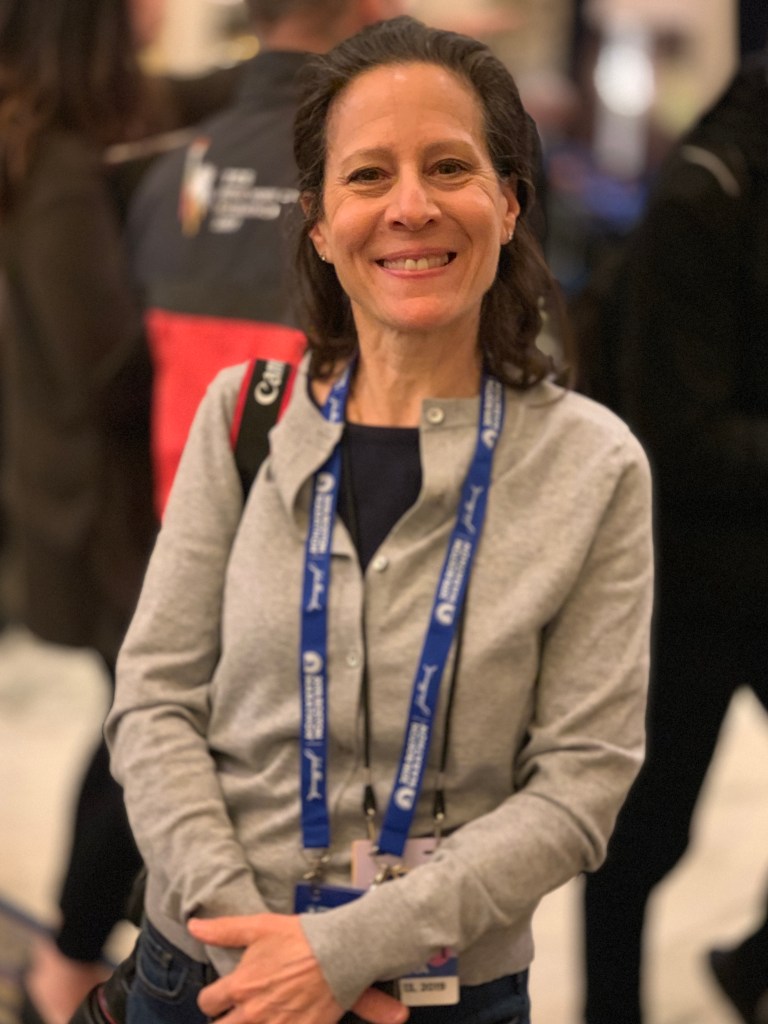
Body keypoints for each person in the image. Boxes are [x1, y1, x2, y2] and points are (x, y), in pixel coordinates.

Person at [106, 15, 654, 1024]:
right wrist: (258, 951)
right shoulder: (245, 416)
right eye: (367, 176)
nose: (410, 206)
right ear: (319, 222)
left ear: (508, 202)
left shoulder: (593, 465)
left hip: (446, 993)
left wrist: (343, 952)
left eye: (449, 167)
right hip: (211, 980)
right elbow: (154, 705)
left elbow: (581, 783)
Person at [578, 48, 768, 1024]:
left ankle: (751, 968)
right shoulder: (705, 194)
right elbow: (676, 436)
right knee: (644, 837)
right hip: (687, 583)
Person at [0, 2, 164, 1022]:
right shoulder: (58, 166)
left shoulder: (64, 137)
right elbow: (106, 364)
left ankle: (65, 953)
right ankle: (63, 960)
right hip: (101, 513)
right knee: (144, 736)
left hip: (89, 499)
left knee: (135, 727)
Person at [127, 0, 405, 517]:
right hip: (343, 531)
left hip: (188, 530)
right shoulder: (385, 183)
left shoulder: (170, 173)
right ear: (372, 9)